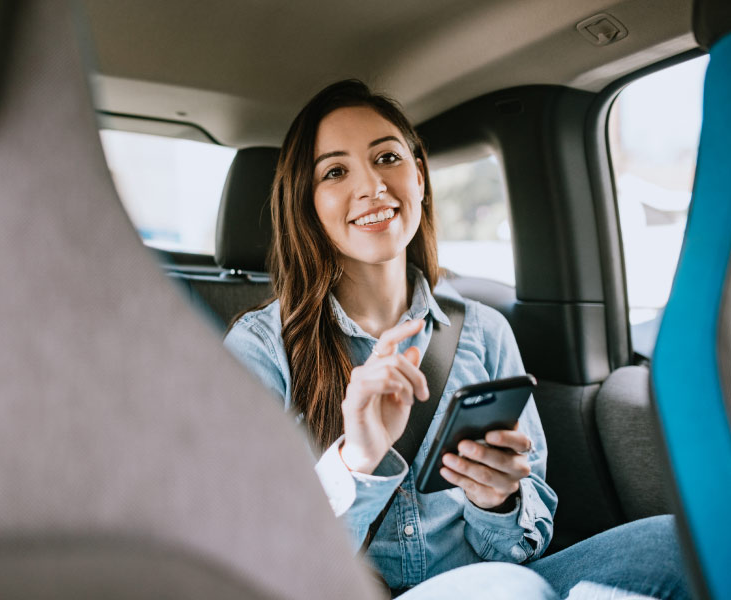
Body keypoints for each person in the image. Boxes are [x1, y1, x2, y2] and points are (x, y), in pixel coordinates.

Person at [224, 79, 688, 599]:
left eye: (387, 158)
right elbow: (245, 547)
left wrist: (500, 502)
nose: (373, 186)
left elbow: (525, 539)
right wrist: (355, 460)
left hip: (484, 584)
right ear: (307, 205)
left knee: (677, 544)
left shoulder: (485, 332)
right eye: (335, 171)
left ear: (418, 176)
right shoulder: (260, 351)